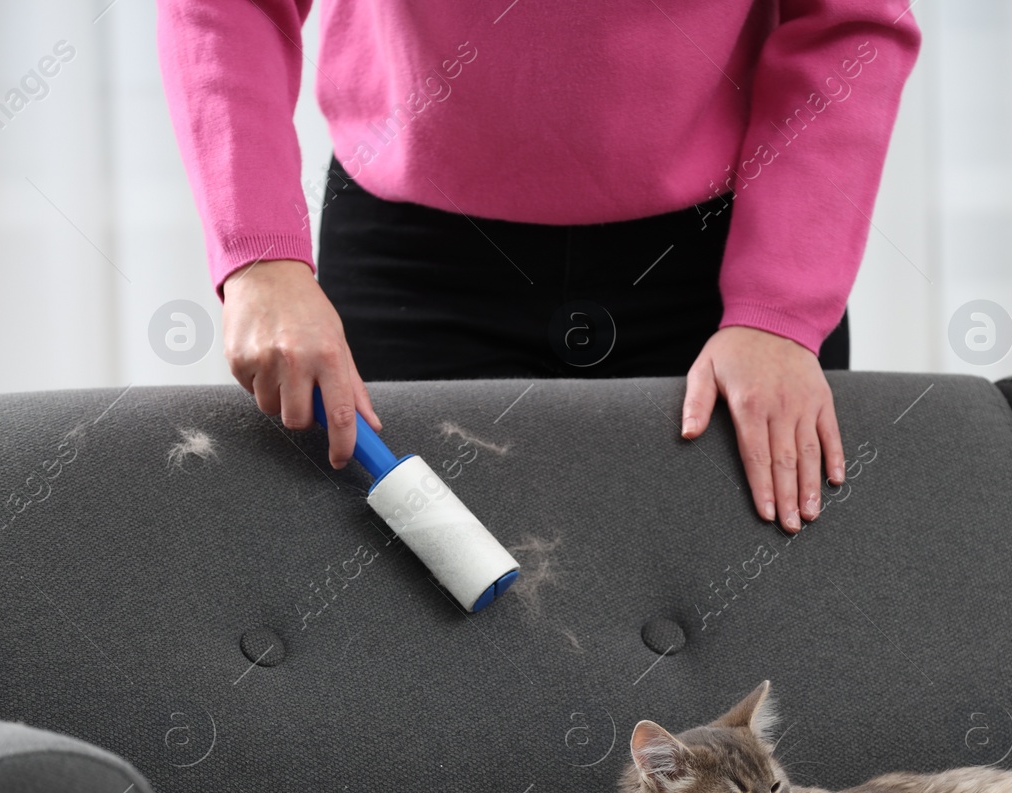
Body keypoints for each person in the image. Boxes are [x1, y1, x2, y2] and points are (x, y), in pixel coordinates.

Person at [157, 1, 919, 534]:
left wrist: (779, 307)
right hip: (409, 261)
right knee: (398, 651)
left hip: (719, 280)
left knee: (741, 663)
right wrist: (262, 256)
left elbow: (845, 21)